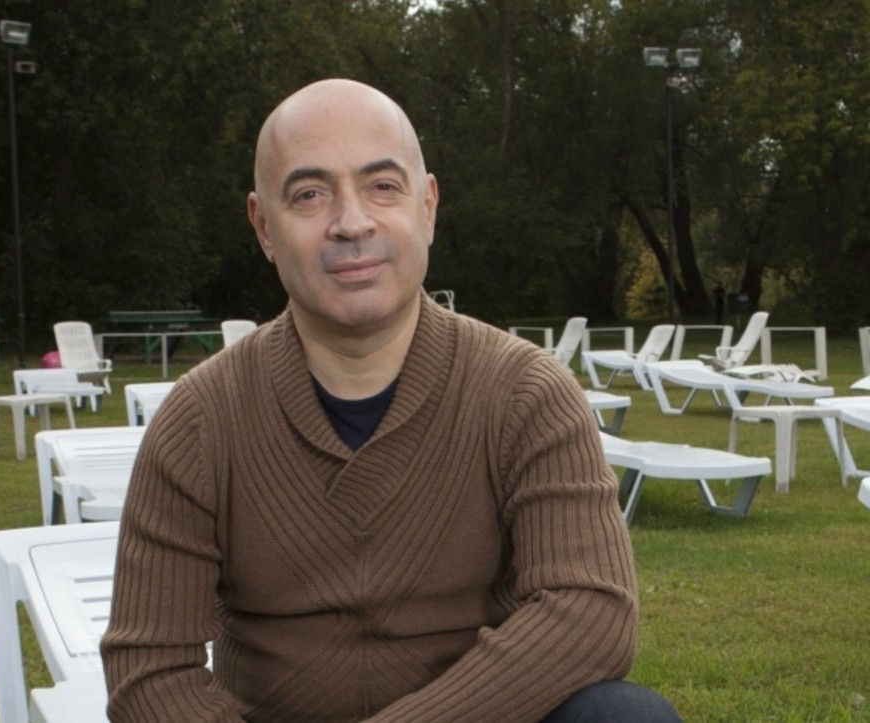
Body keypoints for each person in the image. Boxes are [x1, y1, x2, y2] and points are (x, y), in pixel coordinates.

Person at [101, 78, 682, 722]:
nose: (352, 223)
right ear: (264, 227)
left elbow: (590, 612)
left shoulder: (526, 395)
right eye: (310, 194)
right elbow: (150, 672)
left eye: (382, 185)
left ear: (427, 207)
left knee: (625, 716)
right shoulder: (200, 422)